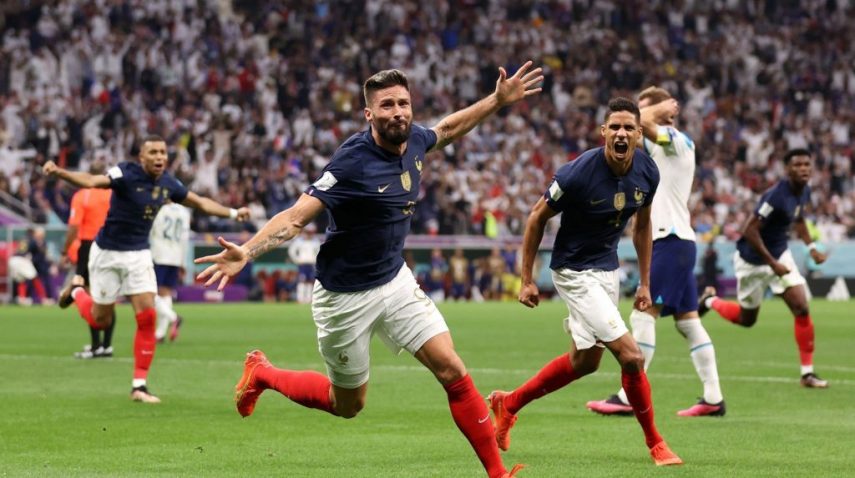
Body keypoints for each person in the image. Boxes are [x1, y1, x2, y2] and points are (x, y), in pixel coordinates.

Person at [195, 63, 543, 478]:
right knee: (347, 405)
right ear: (369, 114)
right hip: (345, 296)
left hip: (394, 281)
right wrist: (248, 251)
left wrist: (497, 101)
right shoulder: (352, 162)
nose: (397, 112)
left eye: (403, 103)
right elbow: (295, 217)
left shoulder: (416, 140)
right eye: (387, 105)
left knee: (452, 369)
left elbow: (448, 129)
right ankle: (263, 374)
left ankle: (498, 474)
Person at [488, 98, 682, 466]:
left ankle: (508, 404)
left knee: (585, 362)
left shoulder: (648, 172)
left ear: (639, 135)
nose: (621, 134)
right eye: (615, 127)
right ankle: (656, 443)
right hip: (574, 271)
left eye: (629, 128)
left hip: (607, 269)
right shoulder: (577, 174)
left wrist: (644, 283)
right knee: (631, 356)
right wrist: (526, 279)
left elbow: (643, 227)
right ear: (603, 132)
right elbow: (536, 218)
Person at [44, 135, 250, 403]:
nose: (159, 157)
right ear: (141, 157)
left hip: (139, 255)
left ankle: (139, 386)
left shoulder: (168, 184)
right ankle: (76, 292)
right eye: (153, 152)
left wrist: (233, 213)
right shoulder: (125, 173)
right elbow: (93, 181)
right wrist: (59, 172)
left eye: (162, 152)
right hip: (107, 254)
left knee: (147, 317)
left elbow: (200, 202)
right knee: (100, 320)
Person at [586, 86, 725, 417]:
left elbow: (638, 122)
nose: (632, 127)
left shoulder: (676, 140)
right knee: (688, 323)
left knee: (642, 313)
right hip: (677, 241)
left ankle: (628, 396)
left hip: (670, 239)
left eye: (645, 112)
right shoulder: (654, 150)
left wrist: (659, 111)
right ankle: (713, 398)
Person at [698, 148, 829, 388]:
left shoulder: (804, 191)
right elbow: (749, 230)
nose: (803, 169)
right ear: (787, 169)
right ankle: (710, 301)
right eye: (797, 165)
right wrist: (772, 264)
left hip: (780, 256)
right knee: (747, 320)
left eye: (806, 164)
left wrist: (811, 248)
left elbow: (799, 219)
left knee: (801, 307)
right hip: (753, 261)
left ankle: (807, 374)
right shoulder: (775, 196)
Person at [60, 161, 114, 358]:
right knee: (108, 295)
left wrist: (65, 250)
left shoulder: (83, 195)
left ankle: (95, 345)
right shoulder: (113, 194)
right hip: (111, 244)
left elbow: (74, 226)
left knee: (88, 294)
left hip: (90, 246)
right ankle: (106, 346)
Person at [148, 200, 192, 343]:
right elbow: (185, 238)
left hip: (159, 254)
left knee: (149, 293)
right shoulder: (184, 211)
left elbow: (151, 231)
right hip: (176, 256)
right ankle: (160, 334)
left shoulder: (158, 209)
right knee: (166, 293)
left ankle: (173, 317)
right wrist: (183, 262)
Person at [286, 224, 320, 304]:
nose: (309, 234)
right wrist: (297, 260)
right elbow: (291, 251)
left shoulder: (316, 241)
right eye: (308, 232)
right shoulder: (299, 241)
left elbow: (319, 252)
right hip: (302, 264)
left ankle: (309, 299)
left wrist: (316, 260)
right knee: (302, 281)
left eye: (311, 232)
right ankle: (300, 298)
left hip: (311, 264)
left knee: (310, 281)